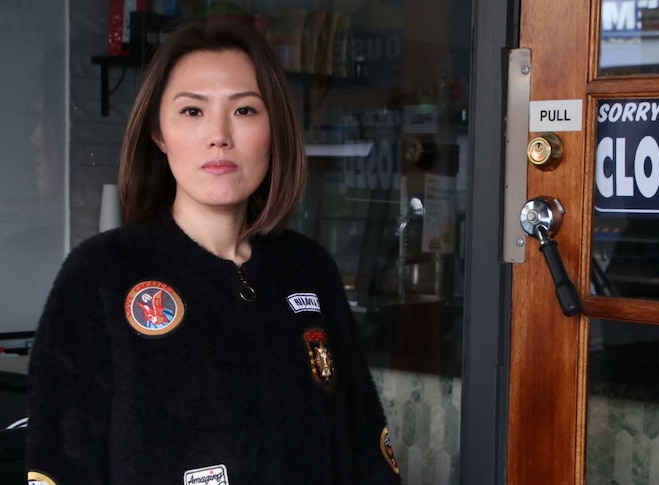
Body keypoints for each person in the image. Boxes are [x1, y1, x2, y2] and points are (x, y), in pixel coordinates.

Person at [26, 18, 401, 485]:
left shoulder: (308, 269)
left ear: (275, 128)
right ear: (158, 133)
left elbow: (364, 443)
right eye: (192, 111)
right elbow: (63, 461)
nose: (219, 134)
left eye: (244, 111)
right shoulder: (102, 273)